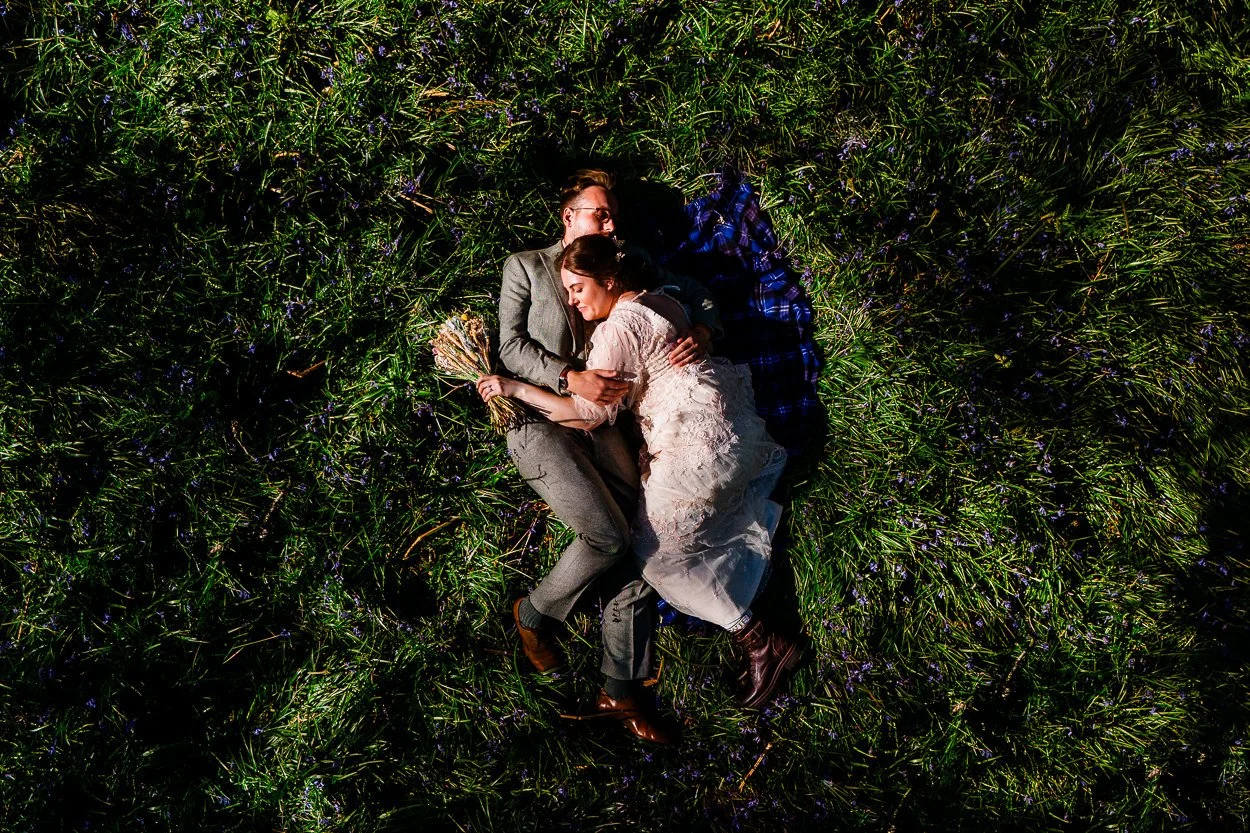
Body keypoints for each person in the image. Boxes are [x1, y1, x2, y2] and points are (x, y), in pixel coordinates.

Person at [482, 233, 802, 710]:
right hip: (732, 429)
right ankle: (753, 631)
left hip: (694, 445)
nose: (572, 301)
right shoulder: (662, 300)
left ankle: (759, 640)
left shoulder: (617, 331)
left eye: (578, 289)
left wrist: (515, 390)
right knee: (693, 530)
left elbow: (588, 415)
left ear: (609, 281)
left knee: (654, 555)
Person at [496, 170, 723, 744]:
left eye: (614, 215)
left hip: (608, 428)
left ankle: (619, 688)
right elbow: (510, 346)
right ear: (568, 216)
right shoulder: (526, 266)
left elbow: (693, 291)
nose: (610, 223)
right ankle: (534, 614)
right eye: (600, 213)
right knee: (607, 537)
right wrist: (568, 376)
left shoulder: (627, 263)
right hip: (543, 422)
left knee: (646, 536)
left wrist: (704, 328)